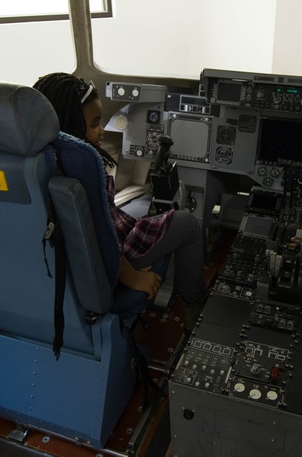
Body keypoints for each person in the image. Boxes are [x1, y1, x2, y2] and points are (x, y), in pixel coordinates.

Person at [33, 72, 207, 327]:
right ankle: (196, 310)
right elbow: (101, 238)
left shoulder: (36, 159)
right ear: (69, 124)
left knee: (140, 214)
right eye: (94, 124)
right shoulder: (81, 165)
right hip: (105, 266)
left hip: (61, 271)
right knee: (188, 224)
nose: (102, 130)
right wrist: (134, 278)